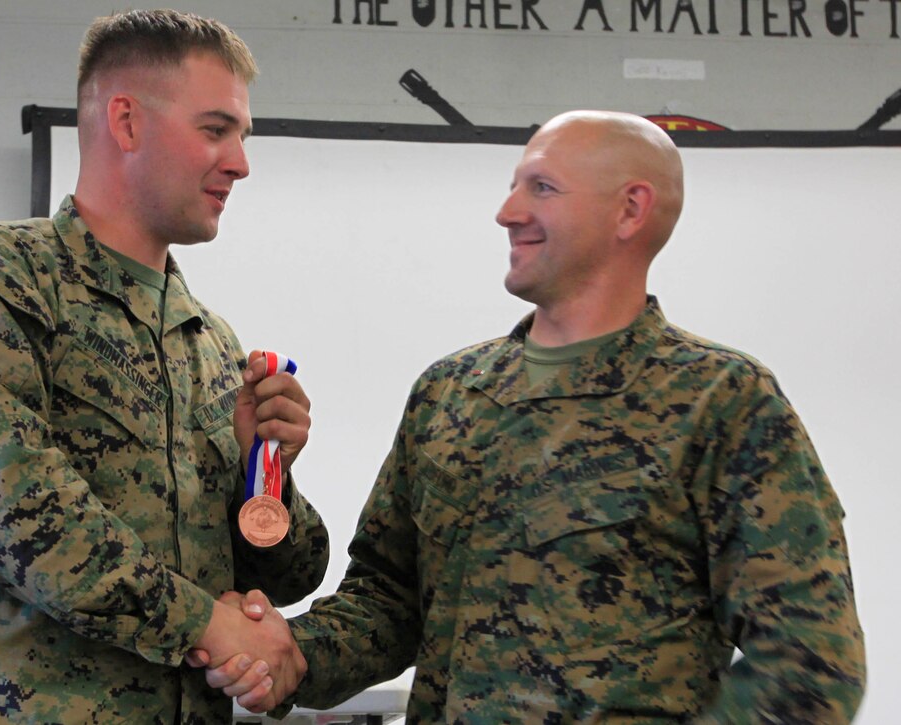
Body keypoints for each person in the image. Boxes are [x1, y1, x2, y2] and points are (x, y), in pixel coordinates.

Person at [200, 110, 867, 722]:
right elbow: (389, 602)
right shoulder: (450, 393)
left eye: (541, 188)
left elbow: (811, 662)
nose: (507, 211)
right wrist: (291, 652)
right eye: (514, 186)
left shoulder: (723, 402)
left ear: (630, 209)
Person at [0, 9, 327, 723]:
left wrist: (265, 472)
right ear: (126, 122)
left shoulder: (211, 343)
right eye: (216, 130)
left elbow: (286, 574)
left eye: (242, 137)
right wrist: (205, 624)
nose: (241, 162)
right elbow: (11, 508)